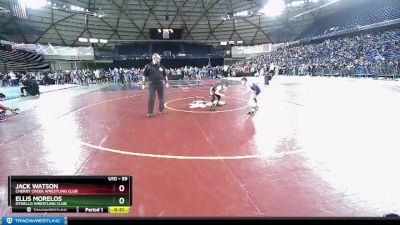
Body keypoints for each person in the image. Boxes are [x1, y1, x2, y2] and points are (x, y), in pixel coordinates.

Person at [143, 53, 169, 117]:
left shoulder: (162, 66)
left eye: (159, 58)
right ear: (154, 58)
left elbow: (165, 75)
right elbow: (144, 75)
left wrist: (166, 83)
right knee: (151, 98)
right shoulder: (148, 66)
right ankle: (150, 112)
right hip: (152, 84)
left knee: (161, 98)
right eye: (158, 58)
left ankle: (161, 110)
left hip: (160, 84)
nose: (159, 59)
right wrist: (143, 84)